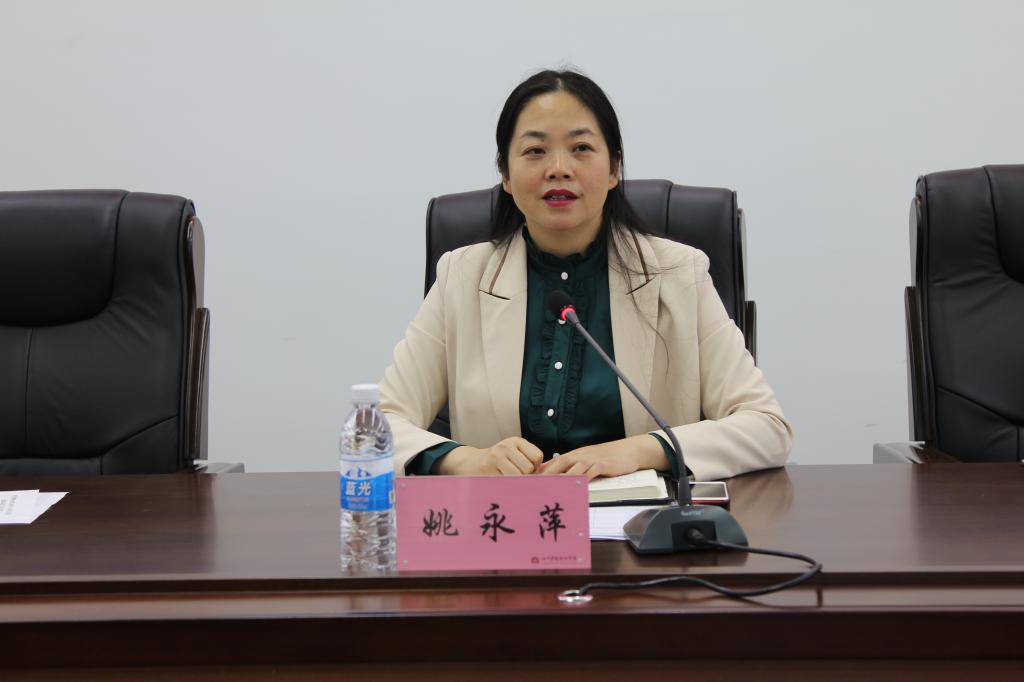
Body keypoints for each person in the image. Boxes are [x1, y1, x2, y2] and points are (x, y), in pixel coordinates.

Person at [379, 69, 792, 482]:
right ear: (505, 173)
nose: (559, 169)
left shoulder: (679, 275)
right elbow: (378, 426)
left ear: (614, 169)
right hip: (506, 519)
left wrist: (637, 451)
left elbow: (766, 427)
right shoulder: (462, 278)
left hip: (641, 518)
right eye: (535, 150)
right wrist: (466, 460)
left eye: (581, 148)